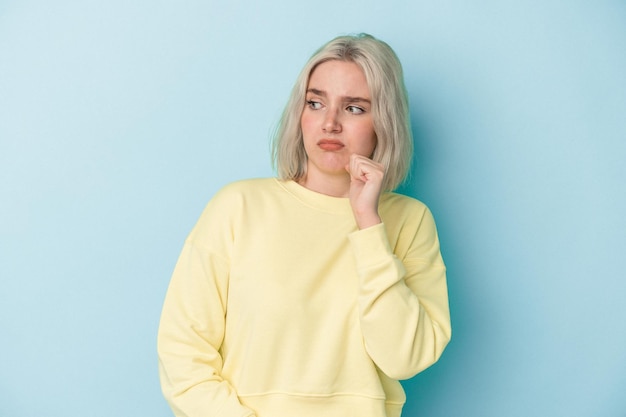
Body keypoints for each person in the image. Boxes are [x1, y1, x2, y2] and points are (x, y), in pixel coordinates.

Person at [157, 33, 451, 417]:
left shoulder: (410, 221)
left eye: (354, 108)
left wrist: (368, 224)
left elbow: (405, 358)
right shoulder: (238, 207)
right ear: (300, 113)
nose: (330, 123)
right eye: (316, 103)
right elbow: (183, 353)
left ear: (384, 121)